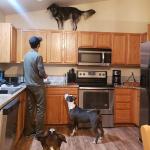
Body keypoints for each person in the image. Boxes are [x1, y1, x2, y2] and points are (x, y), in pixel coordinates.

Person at [24, 36, 47, 138]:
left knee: (30, 109)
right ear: (38, 45)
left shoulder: (26, 56)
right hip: (37, 86)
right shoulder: (38, 56)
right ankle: (39, 133)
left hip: (28, 85)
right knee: (40, 109)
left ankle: (28, 131)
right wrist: (46, 76)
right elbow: (41, 72)